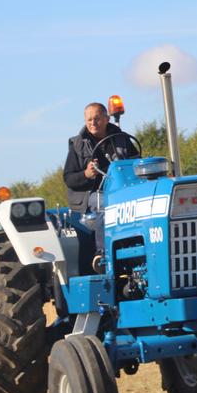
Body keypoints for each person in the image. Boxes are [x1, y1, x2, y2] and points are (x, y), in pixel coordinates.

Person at [63, 102, 138, 272]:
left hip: (123, 190)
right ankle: (103, 254)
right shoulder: (77, 145)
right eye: (89, 120)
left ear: (106, 118)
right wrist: (86, 175)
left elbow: (137, 162)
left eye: (96, 119)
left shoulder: (122, 139)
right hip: (93, 193)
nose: (92, 123)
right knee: (106, 203)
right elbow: (68, 178)